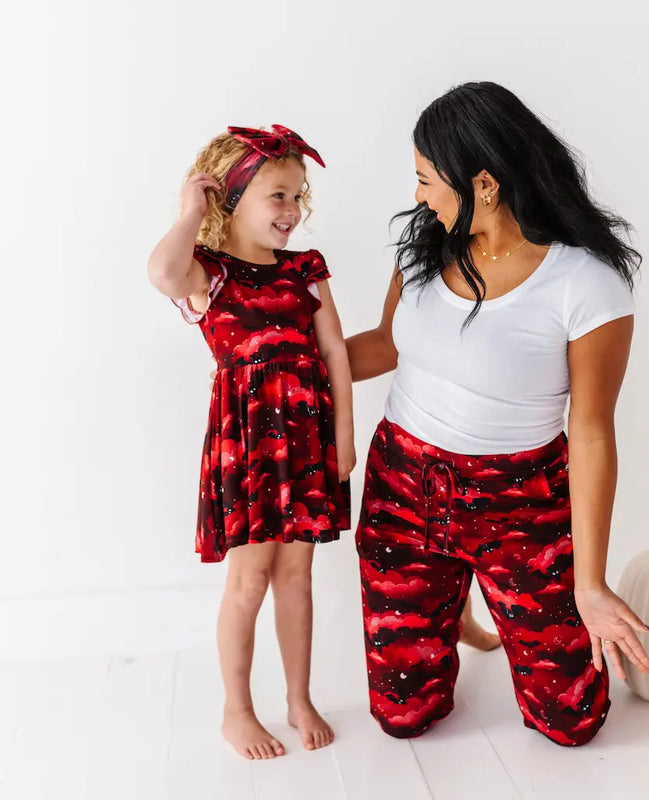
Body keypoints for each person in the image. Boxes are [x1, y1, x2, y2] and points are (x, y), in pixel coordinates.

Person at [345, 82, 649, 747]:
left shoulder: (585, 284)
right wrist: (274, 370)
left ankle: (459, 589)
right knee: (404, 720)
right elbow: (382, 343)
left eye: (428, 179)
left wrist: (591, 582)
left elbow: (593, 432)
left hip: (520, 503)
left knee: (571, 723)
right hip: (402, 485)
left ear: (483, 183)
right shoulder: (423, 245)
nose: (420, 195)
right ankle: (446, 594)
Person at [147, 125, 354, 760]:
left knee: (298, 573)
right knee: (250, 577)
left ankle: (298, 697)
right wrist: (191, 210)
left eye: (298, 197)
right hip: (248, 449)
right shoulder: (206, 275)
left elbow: (334, 353)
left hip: (306, 440)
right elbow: (160, 272)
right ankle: (237, 710)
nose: (292, 212)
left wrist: (344, 436)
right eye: (277, 196)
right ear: (230, 199)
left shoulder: (305, 271)